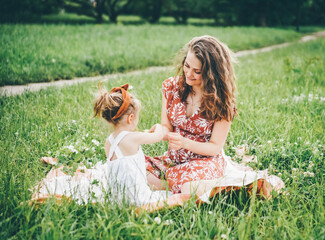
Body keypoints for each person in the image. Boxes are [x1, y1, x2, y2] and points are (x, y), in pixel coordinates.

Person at [145, 35, 284, 200]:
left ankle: (208, 188)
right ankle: (181, 189)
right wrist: (159, 131)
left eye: (197, 71)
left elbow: (214, 147)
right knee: (137, 169)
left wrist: (184, 143)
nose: (189, 74)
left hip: (205, 162)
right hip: (174, 160)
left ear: (212, 74)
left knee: (188, 185)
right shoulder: (171, 87)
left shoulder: (222, 102)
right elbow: (166, 126)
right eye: (186, 66)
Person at [31, 84, 189, 209]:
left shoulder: (110, 141)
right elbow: (158, 136)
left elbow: (128, 145)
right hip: (136, 198)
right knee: (172, 194)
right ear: (131, 118)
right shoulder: (133, 138)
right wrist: (159, 126)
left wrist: (145, 133)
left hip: (117, 197)